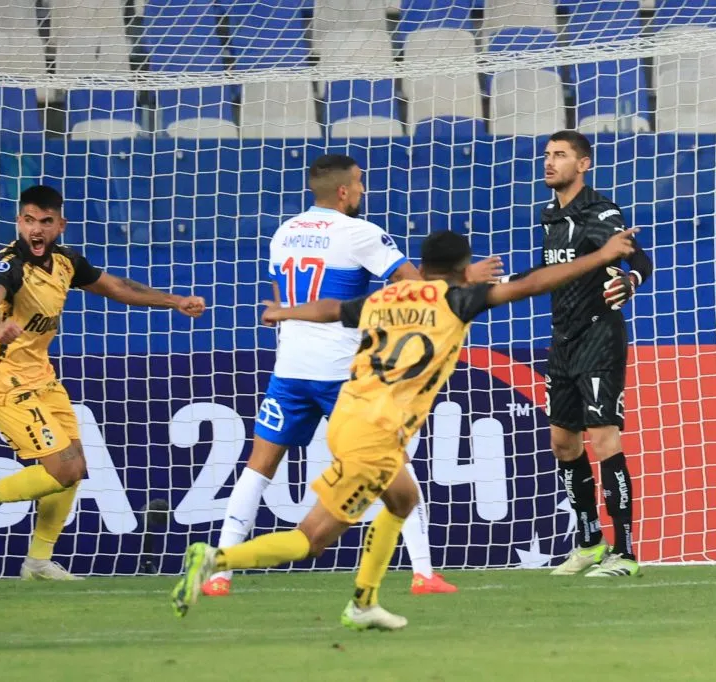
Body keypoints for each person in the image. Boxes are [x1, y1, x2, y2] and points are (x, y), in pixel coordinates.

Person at [172, 227, 637, 630]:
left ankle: (365, 603)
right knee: (311, 539)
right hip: (372, 433)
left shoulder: (385, 297)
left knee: (403, 498)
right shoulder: (457, 301)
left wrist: (284, 313)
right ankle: (216, 559)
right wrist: (600, 256)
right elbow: (534, 284)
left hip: (353, 416)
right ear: (463, 268)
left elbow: (334, 308)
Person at [203, 154, 502, 597]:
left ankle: (218, 574)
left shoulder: (285, 231)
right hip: (344, 374)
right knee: (392, 459)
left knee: (259, 465)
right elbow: (414, 286)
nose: (363, 190)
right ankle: (423, 572)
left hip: (290, 367)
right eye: (360, 183)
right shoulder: (360, 232)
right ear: (344, 191)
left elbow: (279, 297)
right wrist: (463, 278)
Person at [0, 185, 206, 580]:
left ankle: (37, 561)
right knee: (63, 468)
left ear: (60, 225)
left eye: (46, 222)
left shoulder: (67, 262)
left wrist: (175, 301)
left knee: (74, 466)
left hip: (43, 378)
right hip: (7, 383)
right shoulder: (10, 264)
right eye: (30, 221)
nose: (37, 230)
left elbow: (118, 288)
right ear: (19, 222)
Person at [508, 130, 654, 577]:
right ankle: (589, 542)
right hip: (563, 340)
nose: (549, 163)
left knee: (604, 438)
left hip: (599, 337)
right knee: (563, 443)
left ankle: (625, 553)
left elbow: (639, 261)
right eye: (547, 155)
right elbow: (553, 270)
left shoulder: (601, 211)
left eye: (560, 156)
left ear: (583, 164)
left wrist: (630, 282)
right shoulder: (550, 214)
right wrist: (504, 286)